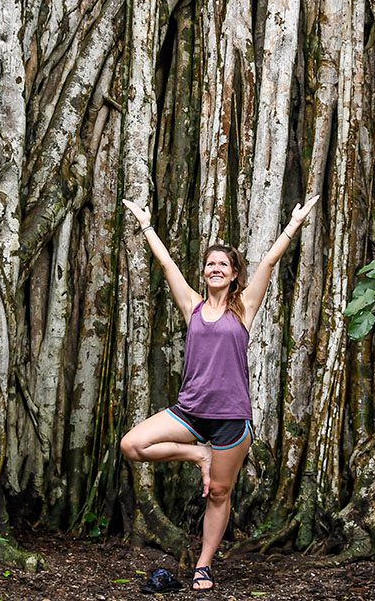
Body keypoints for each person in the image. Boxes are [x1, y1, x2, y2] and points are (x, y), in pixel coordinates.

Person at [118, 194, 320, 592]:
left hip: (231, 415)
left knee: (220, 491)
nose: (214, 269)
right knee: (132, 444)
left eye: (222, 265)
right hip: (190, 410)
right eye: (210, 264)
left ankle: (203, 565)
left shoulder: (243, 308)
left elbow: (268, 263)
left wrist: (293, 225)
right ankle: (199, 453)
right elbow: (166, 265)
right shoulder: (191, 305)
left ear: (232, 275)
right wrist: (146, 225)